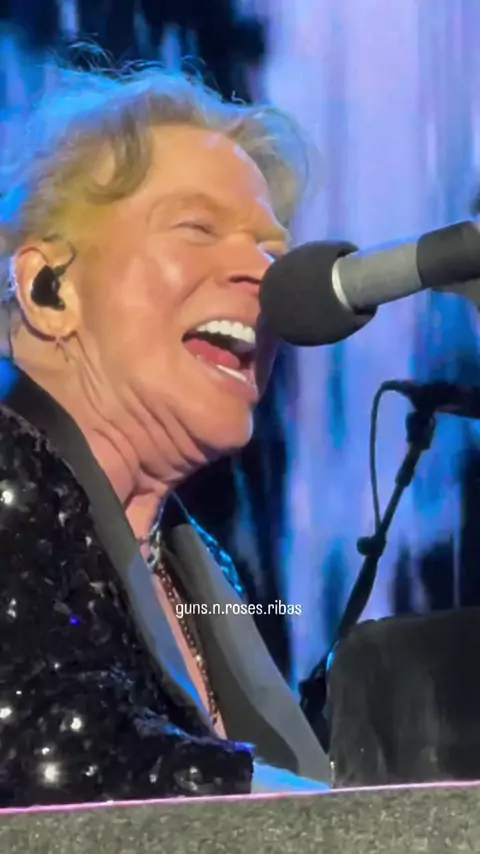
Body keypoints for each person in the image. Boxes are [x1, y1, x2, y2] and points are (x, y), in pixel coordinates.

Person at [0, 61, 329, 805]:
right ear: (50, 291)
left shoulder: (194, 564)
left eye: (271, 251)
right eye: (199, 229)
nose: (263, 275)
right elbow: (41, 752)